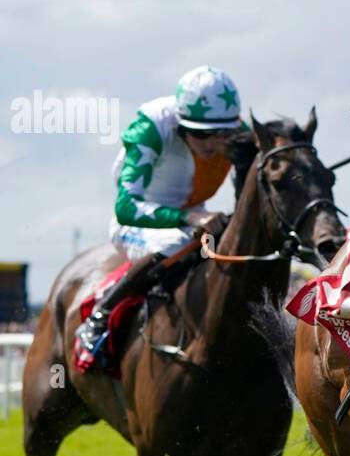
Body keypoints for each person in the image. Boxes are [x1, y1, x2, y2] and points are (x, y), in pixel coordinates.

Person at [74, 66, 244, 367]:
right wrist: (188, 219)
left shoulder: (236, 135)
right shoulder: (150, 127)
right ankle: (101, 314)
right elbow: (125, 207)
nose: (212, 143)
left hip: (195, 215)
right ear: (180, 124)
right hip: (138, 219)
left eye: (222, 133)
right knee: (176, 242)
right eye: (201, 133)